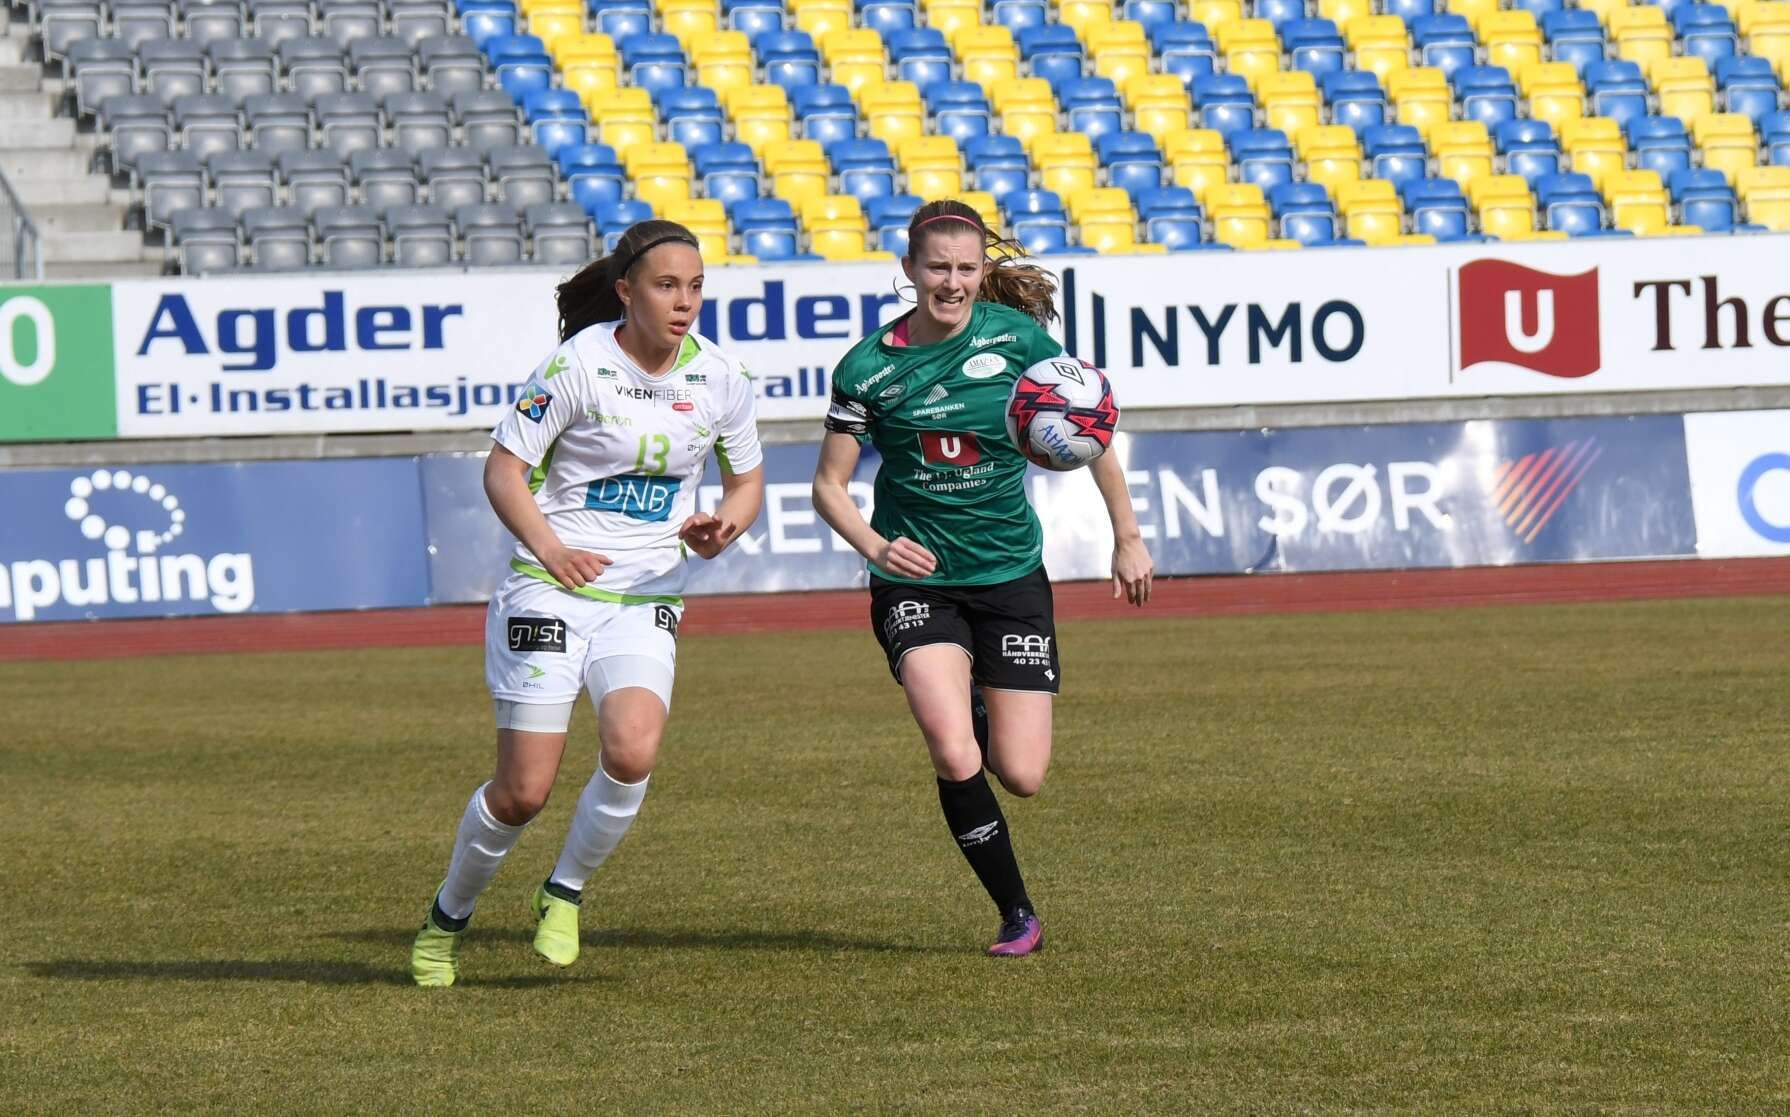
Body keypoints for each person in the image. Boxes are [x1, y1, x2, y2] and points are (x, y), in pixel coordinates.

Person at [411, 220, 765, 986]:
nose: (684, 302)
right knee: (523, 791)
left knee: (633, 750)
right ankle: (447, 918)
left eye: (696, 287)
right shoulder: (577, 365)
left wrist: (722, 528)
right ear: (626, 291)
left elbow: (746, 485)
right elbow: (503, 471)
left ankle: (563, 890)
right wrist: (551, 548)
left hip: (644, 594)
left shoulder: (721, 378)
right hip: (550, 590)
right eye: (667, 286)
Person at [810, 199, 1154, 958]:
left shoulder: (1020, 340)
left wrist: (1127, 537)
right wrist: (877, 546)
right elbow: (828, 487)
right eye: (937, 267)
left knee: (1022, 774)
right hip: (917, 581)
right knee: (953, 750)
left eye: (966, 268)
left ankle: (972, 694)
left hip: (1009, 574)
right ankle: (1017, 914)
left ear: (982, 271)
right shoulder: (867, 368)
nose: (952, 282)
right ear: (909, 270)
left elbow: (1091, 431)